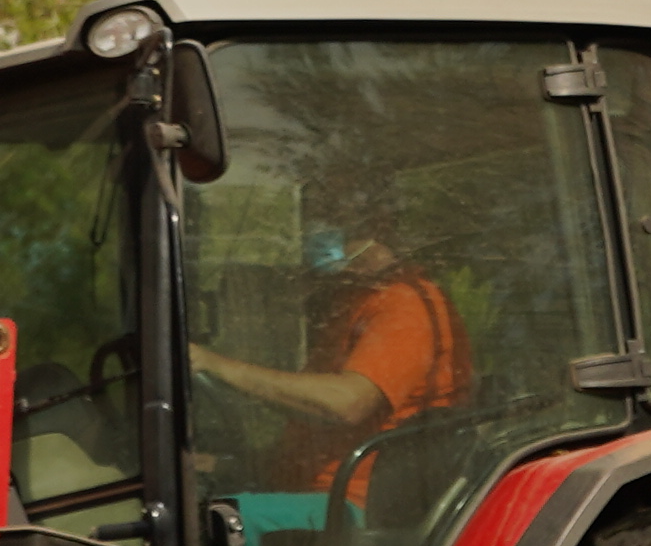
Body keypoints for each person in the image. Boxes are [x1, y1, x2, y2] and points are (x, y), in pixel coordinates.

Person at [189, 183, 472, 521]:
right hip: (313, 493)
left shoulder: (405, 305)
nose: (315, 232)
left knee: (208, 525)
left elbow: (347, 403)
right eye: (312, 218)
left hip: (356, 508)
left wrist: (217, 365)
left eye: (330, 219)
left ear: (376, 229)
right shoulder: (353, 304)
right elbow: (312, 439)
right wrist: (224, 465)